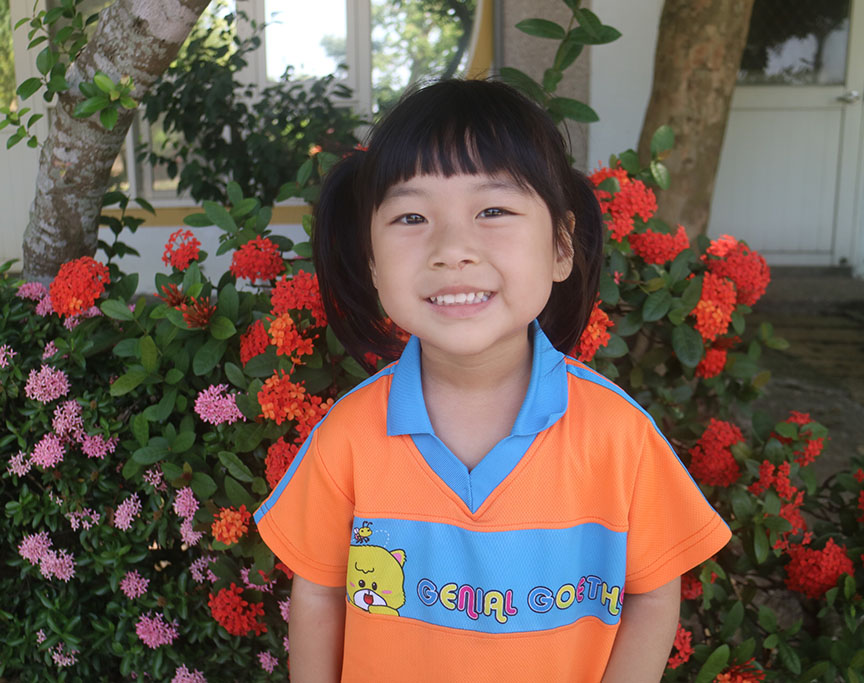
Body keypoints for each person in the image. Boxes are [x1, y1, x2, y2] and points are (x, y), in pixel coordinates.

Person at [253, 79, 731, 682]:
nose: (452, 249)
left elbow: (653, 595)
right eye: (411, 216)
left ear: (561, 246)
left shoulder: (620, 436)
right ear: (372, 261)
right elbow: (320, 593)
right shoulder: (346, 437)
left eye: (493, 211)